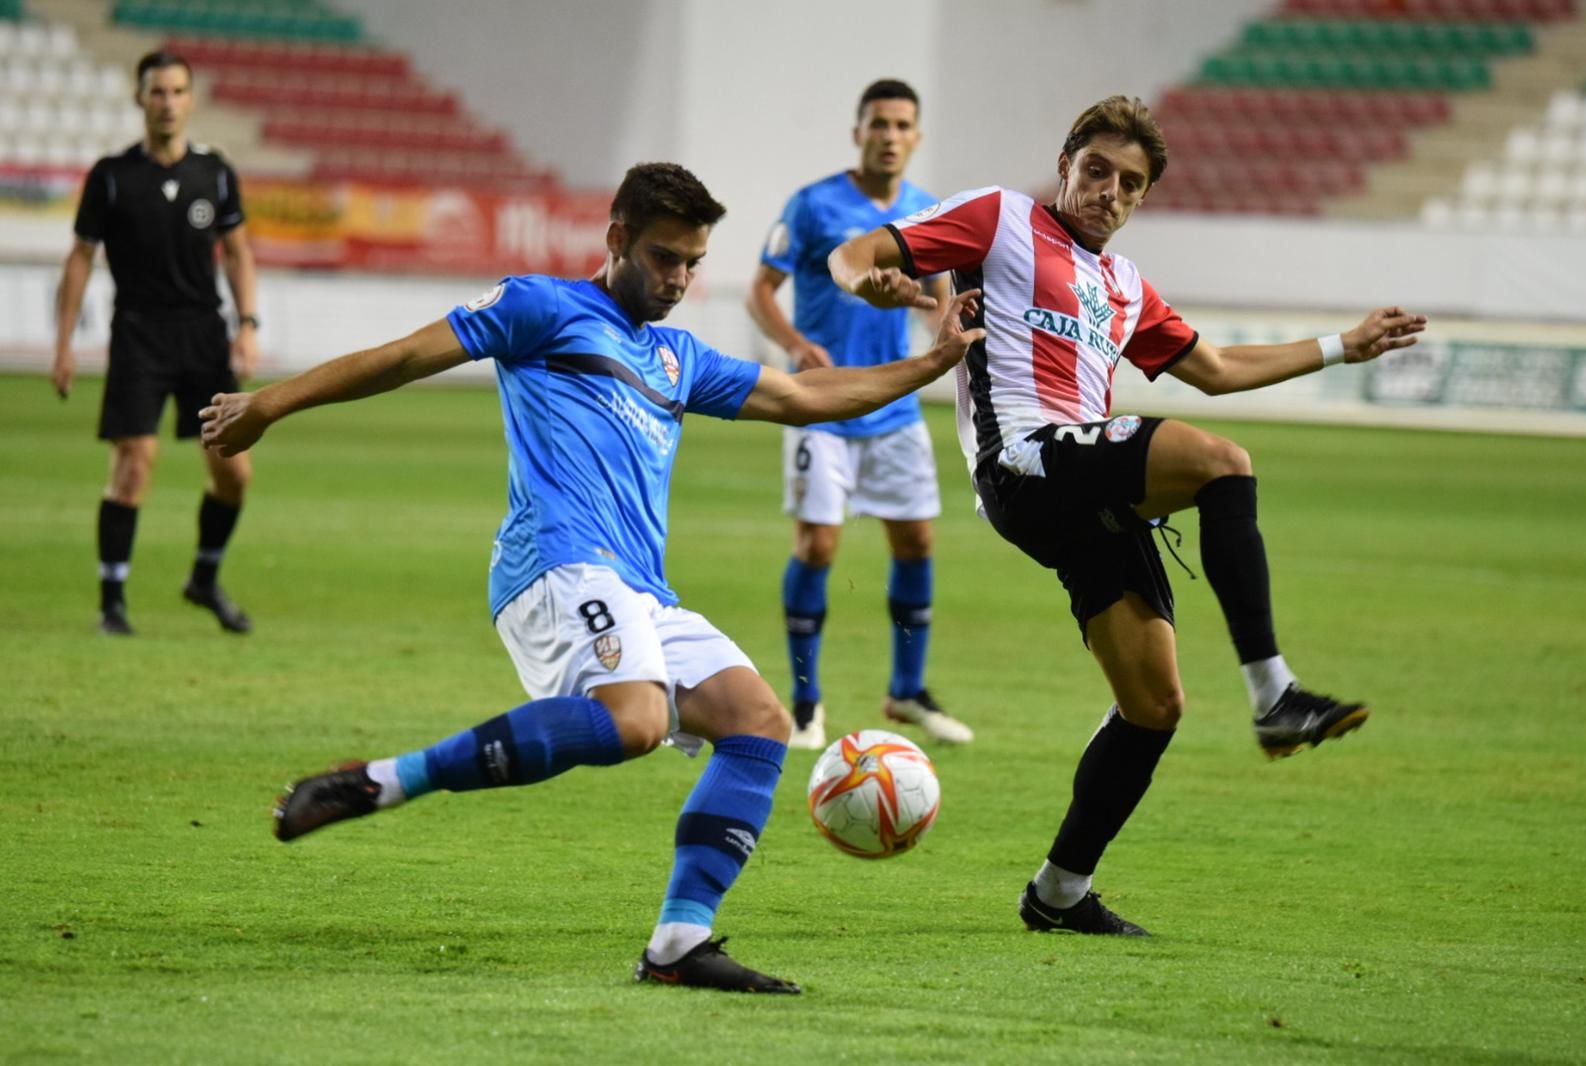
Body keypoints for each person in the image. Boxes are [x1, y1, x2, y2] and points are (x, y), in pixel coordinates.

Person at [199, 162, 983, 993]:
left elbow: (801, 395)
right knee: (637, 720)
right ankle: (380, 782)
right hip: (555, 561)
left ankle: (680, 944)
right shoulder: (540, 307)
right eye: (661, 257)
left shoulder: (678, 357)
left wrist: (931, 365)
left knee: (758, 721)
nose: (678, 278)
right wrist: (270, 403)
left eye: (691, 262)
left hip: (640, 586)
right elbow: (401, 357)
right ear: (615, 240)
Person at [828, 95, 1426, 936]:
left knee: (1154, 707)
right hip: (1028, 460)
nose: (1109, 190)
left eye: (1130, 183)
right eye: (1097, 170)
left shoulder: (1123, 284)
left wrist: (1340, 346)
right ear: (1066, 163)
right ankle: (1274, 693)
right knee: (1224, 463)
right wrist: (877, 285)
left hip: (1083, 491)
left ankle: (1059, 892)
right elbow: (851, 254)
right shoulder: (999, 219)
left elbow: (1214, 368)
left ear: (1142, 200)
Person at [746, 79, 969, 750]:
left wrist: (935, 314)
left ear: (917, 137)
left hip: (892, 407)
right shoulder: (813, 205)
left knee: (917, 542)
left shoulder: (927, 212)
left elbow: (942, 300)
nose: (891, 135)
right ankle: (807, 705)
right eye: (879, 123)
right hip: (820, 404)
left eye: (903, 125)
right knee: (818, 546)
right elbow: (761, 289)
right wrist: (793, 344)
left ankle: (906, 691)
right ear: (858, 132)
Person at [51, 50, 259, 637]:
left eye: (176, 92)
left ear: (190, 100)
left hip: (203, 336)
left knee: (234, 473)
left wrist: (248, 324)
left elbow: (240, 252)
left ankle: (203, 578)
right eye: (156, 92)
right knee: (134, 464)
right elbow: (80, 259)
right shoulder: (112, 176)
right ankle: (112, 602)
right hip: (139, 333)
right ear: (139, 99)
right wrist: (64, 344)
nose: (167, 103)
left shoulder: (214, 173)